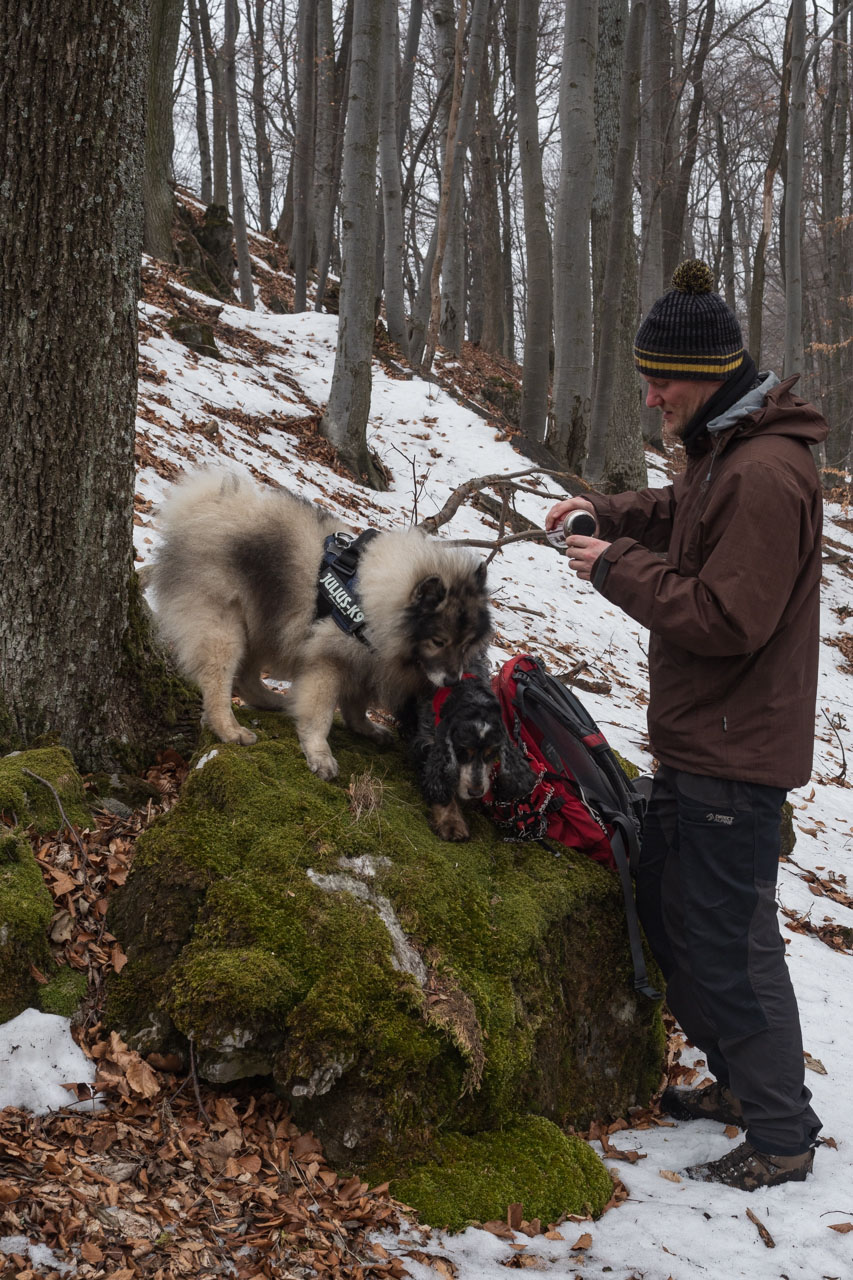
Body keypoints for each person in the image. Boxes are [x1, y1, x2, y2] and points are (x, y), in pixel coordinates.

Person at [546, 259, 826, 1191]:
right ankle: (747, 1087)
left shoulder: (764, 473)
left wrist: (610, 567)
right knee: (674, 907)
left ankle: (780, 1134)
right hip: (702, 744)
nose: (650, 393)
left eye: (660, 377)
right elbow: (678, 513)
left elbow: (725, 617)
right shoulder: (725, 451)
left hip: (735, 756)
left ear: (708, 374)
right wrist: (610, 513)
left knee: (728, 942)